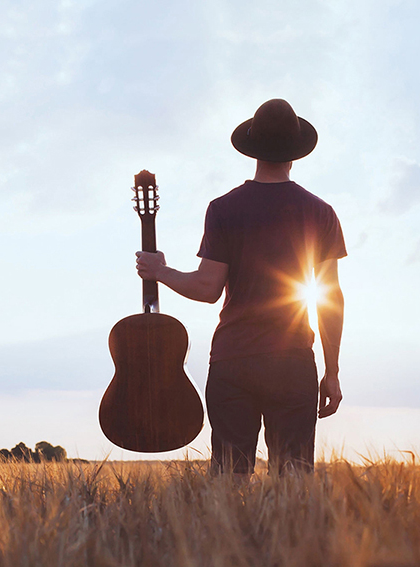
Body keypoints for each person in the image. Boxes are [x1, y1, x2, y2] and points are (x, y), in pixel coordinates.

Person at [136, 99, 346, 476]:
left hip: (233, 361)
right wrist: (331, 371)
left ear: (253, 149)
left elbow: (207, 287)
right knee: (294, 484)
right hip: (293, 360)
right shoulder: (320, 212)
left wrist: (161, 271)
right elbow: (330, 299)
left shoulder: (224, 208)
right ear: (295, 153)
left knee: (229, 484)